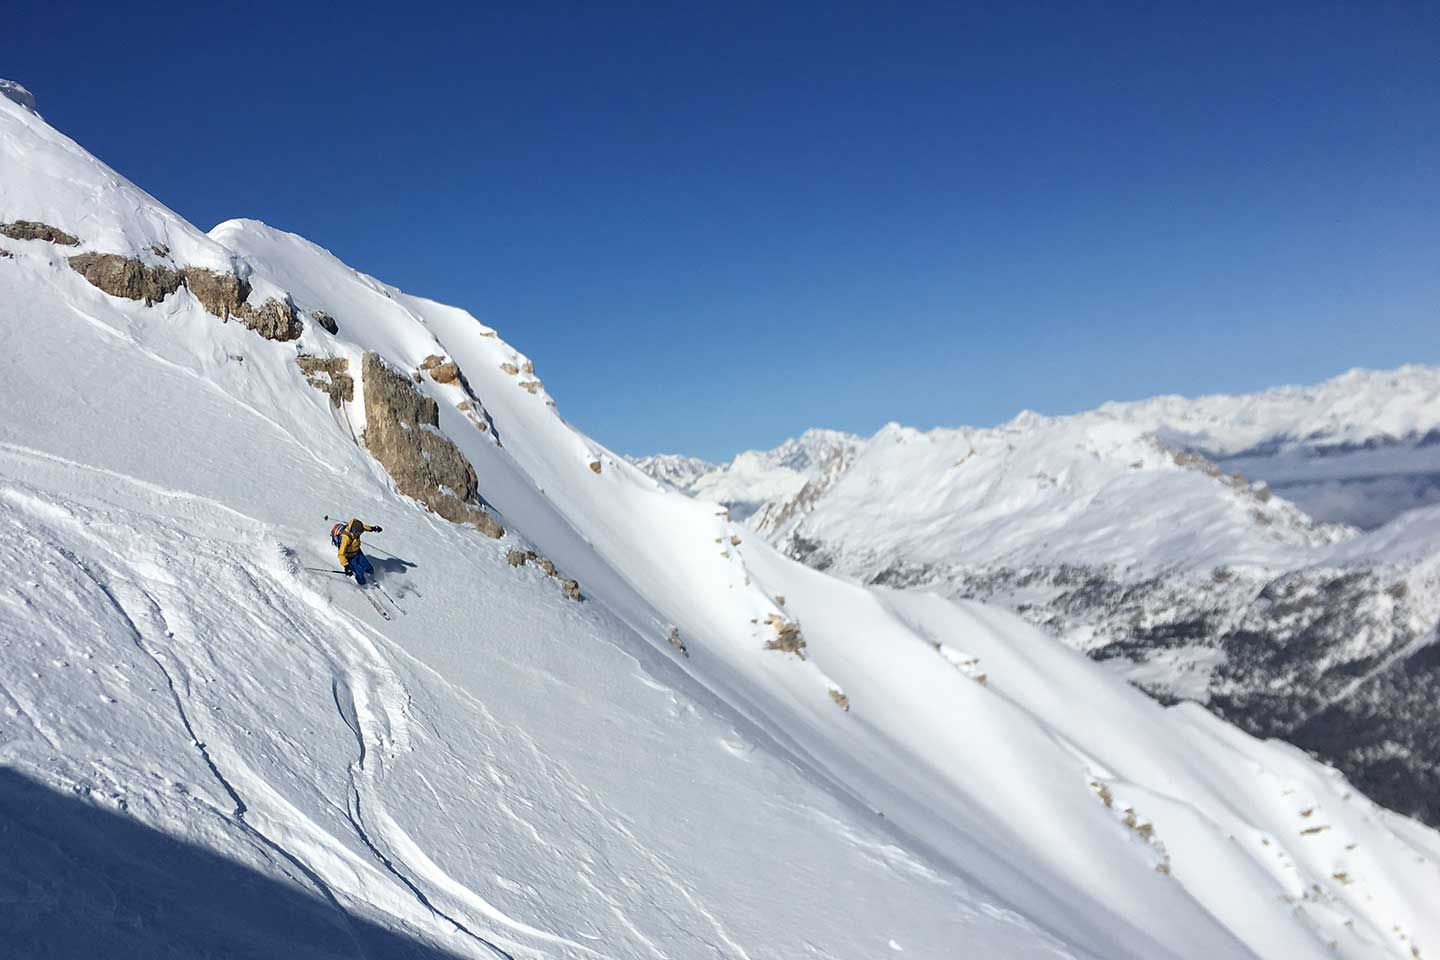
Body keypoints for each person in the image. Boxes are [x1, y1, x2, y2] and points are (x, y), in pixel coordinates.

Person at [331, 518, 383, 586]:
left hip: (357, 552)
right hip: (349, 556)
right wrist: (346, 566)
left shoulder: (357, 528)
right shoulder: (346, 538)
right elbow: (341, 554)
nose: (359, 534)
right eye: (358, 533)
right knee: (360, 575)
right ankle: (364, 586)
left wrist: (373, 528)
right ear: (354, 531)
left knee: (369, 568)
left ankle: (372, 577)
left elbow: (364, 527)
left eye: (360, 533)